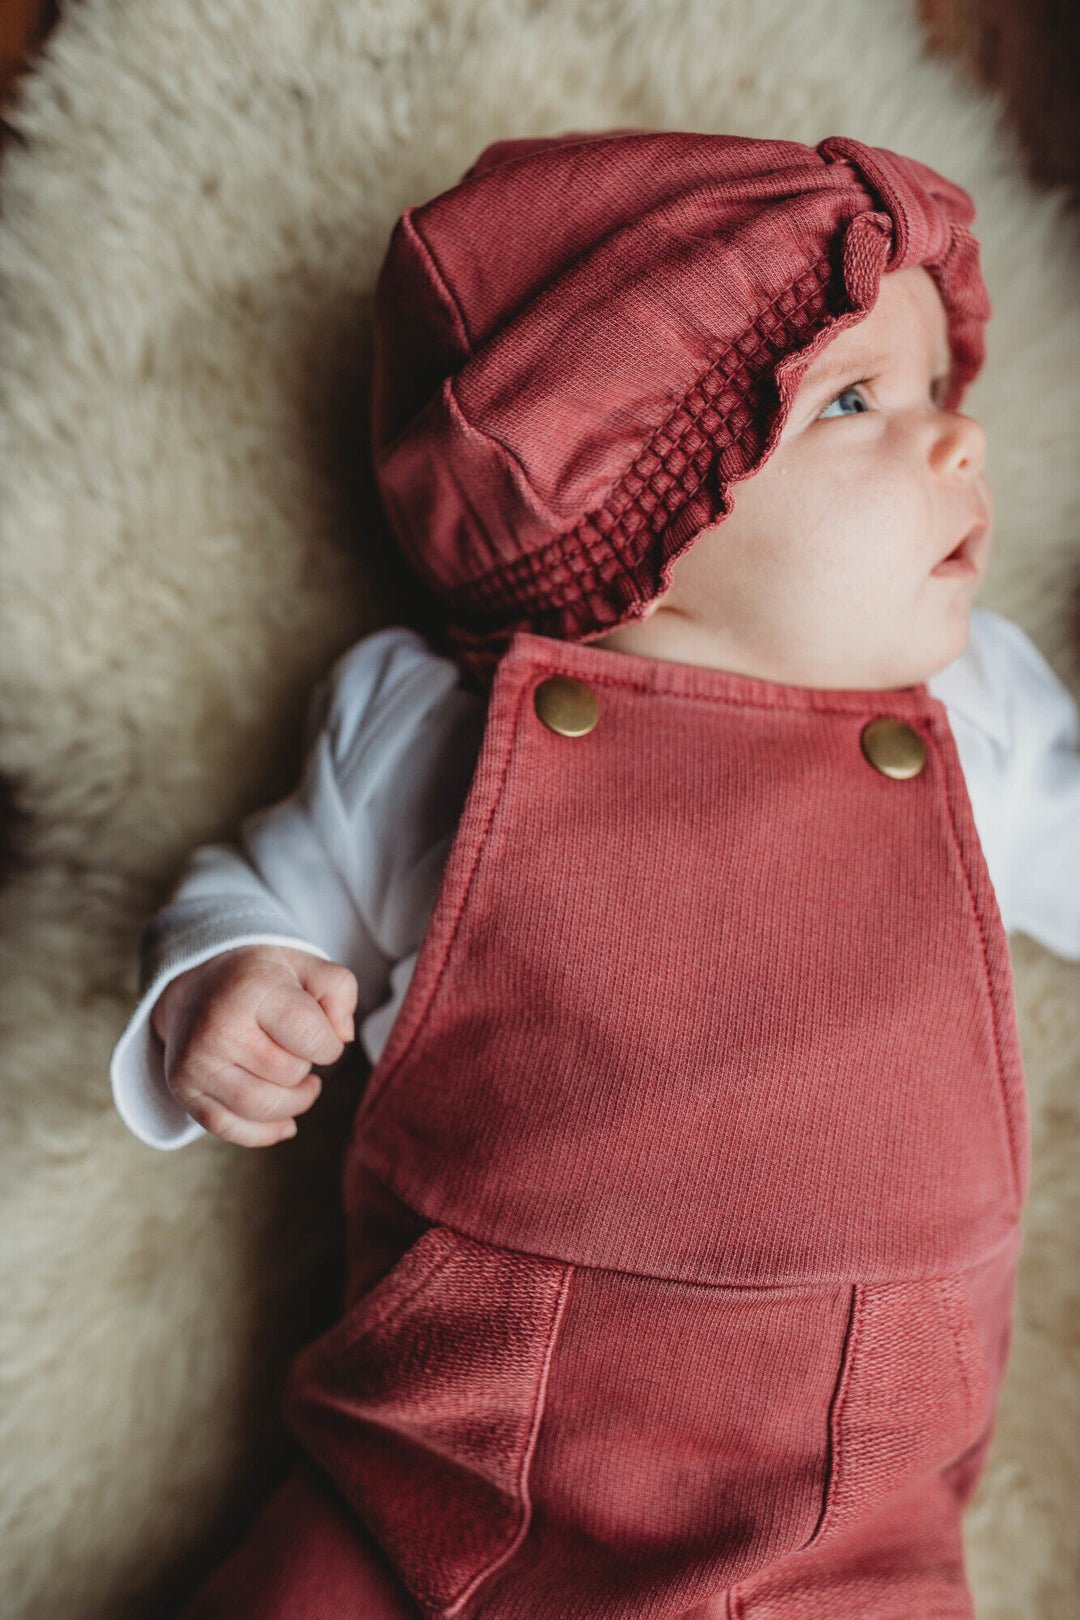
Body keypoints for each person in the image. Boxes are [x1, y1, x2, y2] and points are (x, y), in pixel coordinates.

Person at [110, 131, 1080, 1618]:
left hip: (850, 1498)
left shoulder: (983, 716)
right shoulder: (434, 732)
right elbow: (259, 885)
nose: (960, 441)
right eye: (857, 402)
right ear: (640, 510)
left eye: (944, 392)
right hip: (460, 1461)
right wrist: (222, 988)